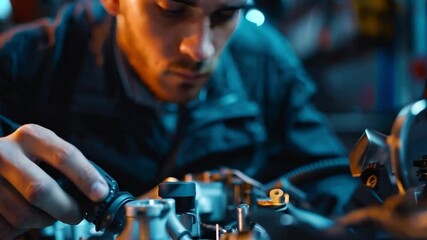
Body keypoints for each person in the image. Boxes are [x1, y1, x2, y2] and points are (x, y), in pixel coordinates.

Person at [0, 0, 348, 238]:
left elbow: (332, 186)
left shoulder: (267, 63)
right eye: (172, 10)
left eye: (226, 14)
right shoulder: (20, 66)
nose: (201, 50)